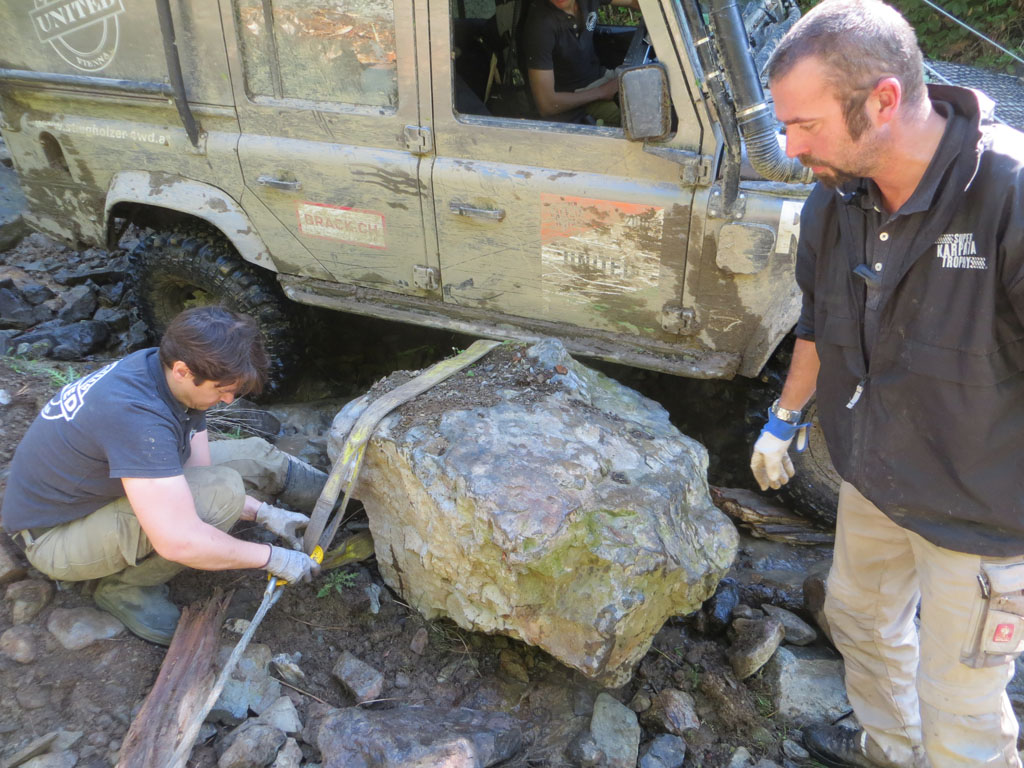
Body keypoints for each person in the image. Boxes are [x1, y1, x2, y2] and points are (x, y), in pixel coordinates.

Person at [749, 1, 1024, 766]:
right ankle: (892, 747)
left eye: (804, 124)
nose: (789, 147)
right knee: (859, 622)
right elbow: (817, 325)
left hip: (982, 511)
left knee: (961, 704)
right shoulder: (835, 200)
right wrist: (783, 419)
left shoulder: (1008, 197)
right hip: (874, 477)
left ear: (883, 101)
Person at [1, 307, 325, 646]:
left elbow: (199, 472)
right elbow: (179, 539)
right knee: (221, 492)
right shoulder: (135, 416)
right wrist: (273, 558)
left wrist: (265, 513)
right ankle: (125, 589)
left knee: (253, 456)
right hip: (56, 536)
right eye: (222, 390)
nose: (228, 399)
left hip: (97, 491)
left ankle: (342, 500)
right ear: (183, 371)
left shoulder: (165, 369)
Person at [521, 0, 639, 125]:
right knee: (639, 115)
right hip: (577, 99)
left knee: (649, 91)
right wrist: (602, 92)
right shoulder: (541, 26)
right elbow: (547, 104)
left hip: (603, 77)